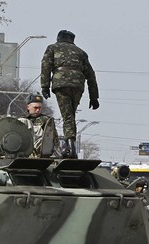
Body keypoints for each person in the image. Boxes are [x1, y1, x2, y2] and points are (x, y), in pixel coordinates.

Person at [40, 30, 99, 158]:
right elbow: (91, 75)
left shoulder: (52, 48)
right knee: (70, 115)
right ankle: (70, 143)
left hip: (61, 84)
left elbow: (46, 66)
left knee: (67, 116)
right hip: (78, 85)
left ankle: (70, 145)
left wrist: (45, 86)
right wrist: (94, 97)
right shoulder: (81, 53)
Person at [19, 93, 61, 157]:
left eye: (40, 108)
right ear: (28, 107)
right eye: (35, 107)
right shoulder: (22, 120)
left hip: (40, 152)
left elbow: (54, 138)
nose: (38, 110)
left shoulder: (46, 120)